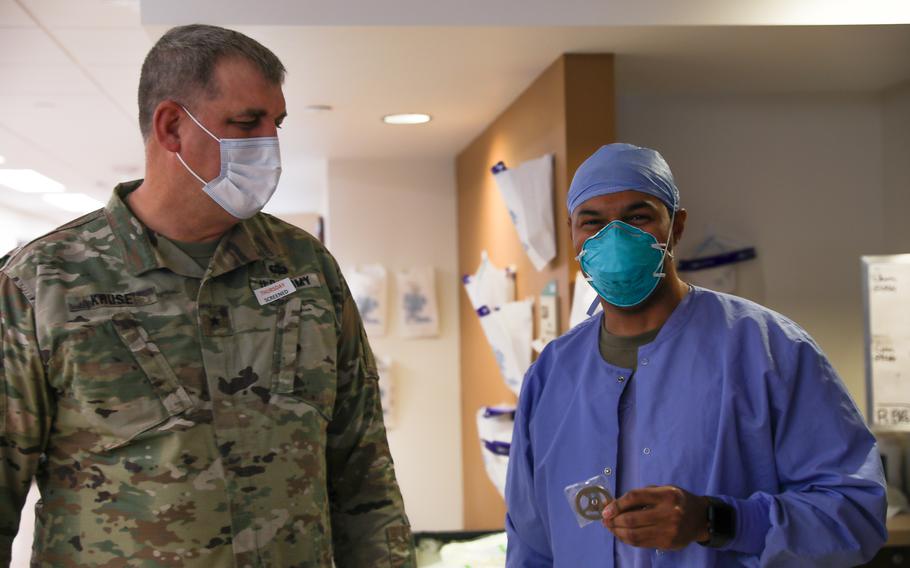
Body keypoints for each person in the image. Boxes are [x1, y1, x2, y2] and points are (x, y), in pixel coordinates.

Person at [0, 24, 415, 567]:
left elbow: (364, 475)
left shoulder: (306, 269)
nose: (269, 143)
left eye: (276, 124)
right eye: (247, 123)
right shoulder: (42, 283)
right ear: (172, 126)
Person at [504, 143, 887, 566]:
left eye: (637, 217)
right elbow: (530, 544)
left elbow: (855, 513)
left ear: (677, 226)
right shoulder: (550, 377)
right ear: (573, 235)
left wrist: (717, 520)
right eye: (591, 222)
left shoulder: (768, 350)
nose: (612, 238)